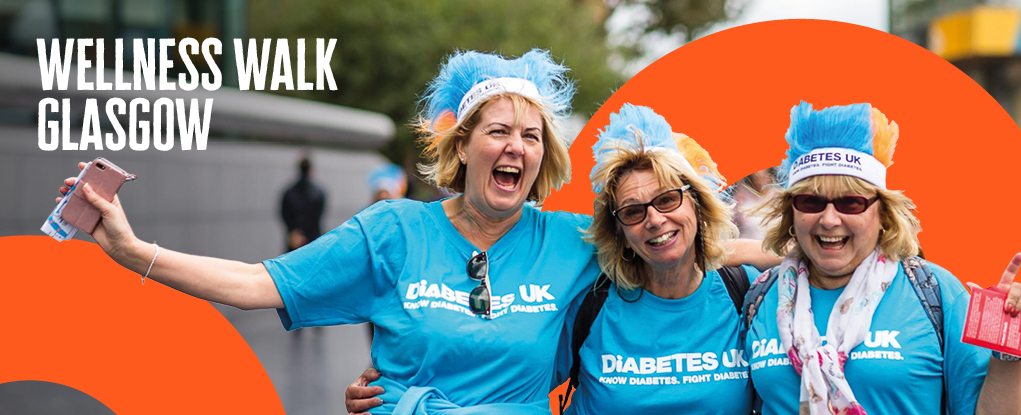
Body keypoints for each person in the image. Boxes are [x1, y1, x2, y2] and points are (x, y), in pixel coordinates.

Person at [57, 50, 778, 415]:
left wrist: (825, 236)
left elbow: (704, 248)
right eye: (499, 131)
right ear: (463, 146)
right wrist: (129, 248)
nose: (517, 147)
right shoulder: (393, 232)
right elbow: (256, 282)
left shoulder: (570, 243)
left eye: (532, 135)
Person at [745, 102, 1021, 415]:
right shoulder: (761, 296)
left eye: (851, 203)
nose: (829, 220)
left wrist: (1008, 346)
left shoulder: (936, 292)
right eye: (810, 201)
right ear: (791, 212)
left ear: (883, 213)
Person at [564, 104, 758, 413]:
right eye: (633, 211)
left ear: (697, 204)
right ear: (621, 235)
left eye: (668, 199)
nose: (654, 220)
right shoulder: (587, 302)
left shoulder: (748, 293)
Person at [281, 154, 327, 252]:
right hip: (313, 241)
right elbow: (318, 217)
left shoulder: (289, 192)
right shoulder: (319, 193)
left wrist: (295, 231)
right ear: (311, 170)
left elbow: (284, 214)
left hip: (294, 240)